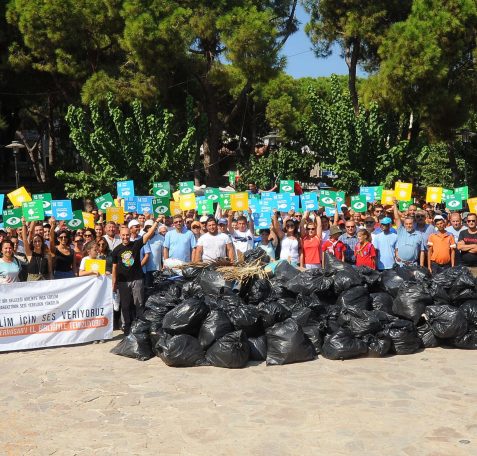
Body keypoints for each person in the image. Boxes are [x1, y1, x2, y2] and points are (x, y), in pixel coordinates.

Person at [112, 217, 160, 334]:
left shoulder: (136, 244)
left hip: (137, 279)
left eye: (127, 235)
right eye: (123, 235)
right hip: (123, 282)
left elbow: (148, 234)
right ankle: (127, 330)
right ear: (120, 235)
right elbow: (114, 267)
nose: (125, 237)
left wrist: (156, 222)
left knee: (139, 304)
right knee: (125, 306)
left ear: (130, 234)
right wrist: (114, 283)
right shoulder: (116, 250)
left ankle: (141, 328)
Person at [142, 219, 165, 287]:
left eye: (151, 227)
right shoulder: (142, 238)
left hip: (157, 269)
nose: (150, 229)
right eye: (148, 227)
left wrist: (164, 265)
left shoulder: (161, 238)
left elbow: (163, 254)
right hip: (145, 270)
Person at [457, 213, 477, 277]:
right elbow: (459, 247)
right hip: (464, 266)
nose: (471, 222)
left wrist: (465, 246)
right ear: (467, 222)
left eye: (473, 220)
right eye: (469, 221)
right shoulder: (462, 233)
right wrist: (474, 246)